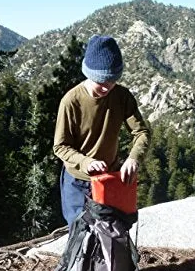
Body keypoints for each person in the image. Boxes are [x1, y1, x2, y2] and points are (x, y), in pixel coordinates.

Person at [53, 35, 151, 228]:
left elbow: (142, 132)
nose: (107, 87)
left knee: (110, 232)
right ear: (89, 74)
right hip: (78, 182)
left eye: (112, 80)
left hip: (109, 179)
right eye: (101, 81)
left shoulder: (122, 96)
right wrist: (86, 162)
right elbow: (60, 147)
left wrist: (133, 158)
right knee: (80, 233)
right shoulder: (71, 101)